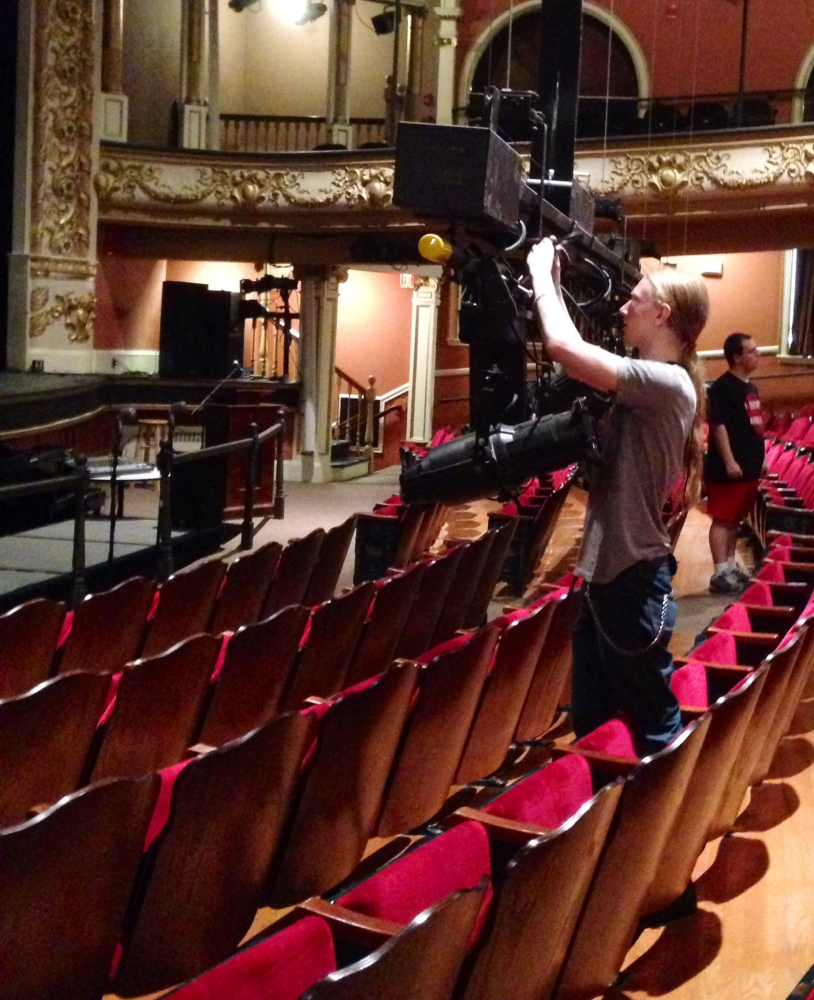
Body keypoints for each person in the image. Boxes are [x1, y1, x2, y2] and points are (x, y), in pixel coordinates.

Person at [527, 239, 709, 755]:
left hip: (631, 579)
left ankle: (661, 820)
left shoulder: (667, 383)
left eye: (636, 299)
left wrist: (542, 274)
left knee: (654, 722)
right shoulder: (650, 385)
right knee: (595, 721)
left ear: (662, 314)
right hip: (610, 576)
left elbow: (565, 349)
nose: (624, 307)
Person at [705, 332, 764, 594]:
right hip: (728, 469)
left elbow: (754, 427)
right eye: (751, 351)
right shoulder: (723, 388)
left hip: (749, 467)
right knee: (723, 520)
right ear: (737, 357)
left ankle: (729, 568)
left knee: (733, 521)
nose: (757, 355)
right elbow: (718, 426)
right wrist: (729, 461)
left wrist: (761, 460)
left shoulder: (750, 387)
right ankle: (720, 573)